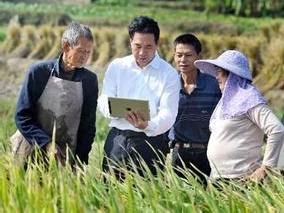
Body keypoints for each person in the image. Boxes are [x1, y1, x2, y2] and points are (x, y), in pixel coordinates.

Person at [98, 16, 180, 177]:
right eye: (137, 46)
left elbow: (169, 114)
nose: (142, 52)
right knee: (110, 194)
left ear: (157, 44)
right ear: (130, 42)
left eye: (148, 47)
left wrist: (148, 125)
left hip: (151, 144)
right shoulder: (117, 67)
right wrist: (113, 109)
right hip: (118, 140)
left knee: (147, 197)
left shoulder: (169, 74)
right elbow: (103, 99)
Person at [12, 22, 98, 167]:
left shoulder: (89, 80)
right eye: (81, 51)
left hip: (65, 156)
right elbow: (22, 116)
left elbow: (88, 127)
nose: (85, 56)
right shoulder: (38, 73)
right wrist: (47, 144)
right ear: (66, 46)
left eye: (88, 52)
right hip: (30, 148)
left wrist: (79, 163)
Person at [194, 50, 284, 182]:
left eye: (219, 72)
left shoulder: (250, 99)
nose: (216, 77)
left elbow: (277, 130)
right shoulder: (225, 102)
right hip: (217, 177)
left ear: (232, 75)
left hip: (243, 180)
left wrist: (266, 167)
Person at [168, 34, 221, 184]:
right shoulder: (169, 85)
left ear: (199, 56)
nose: (183, 60)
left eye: (188, 55)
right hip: (178, 153)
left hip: (207, 153)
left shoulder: (214, 84)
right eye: (179, 55)